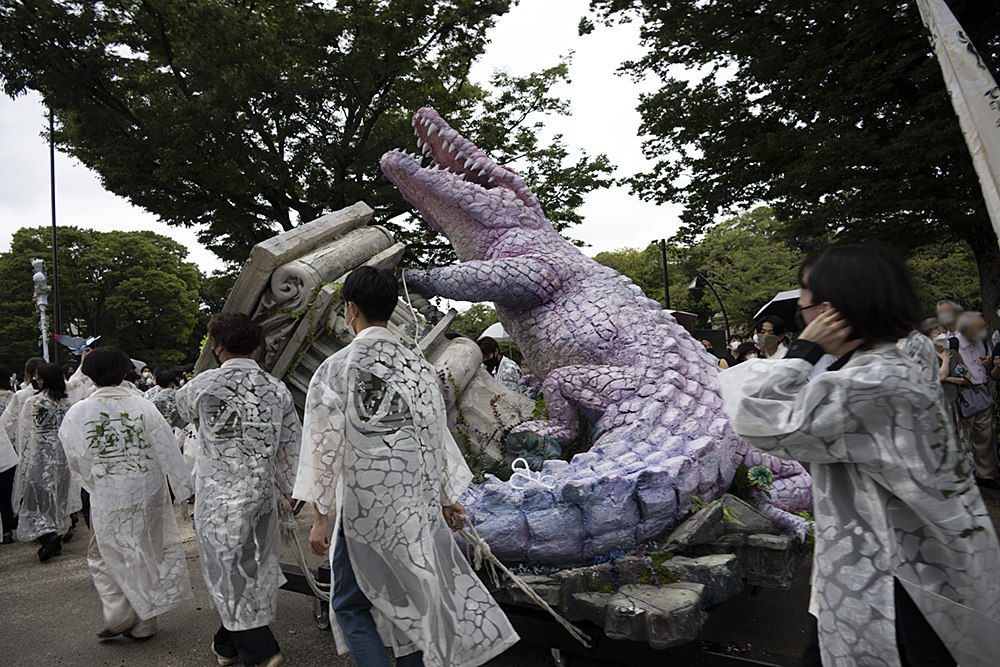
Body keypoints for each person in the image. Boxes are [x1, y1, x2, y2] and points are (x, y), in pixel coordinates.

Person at [721, 244, 1000, 666]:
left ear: (831, 310)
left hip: (901, 580)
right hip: (902, 565)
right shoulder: (877, 369)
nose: (800, 305)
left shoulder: (874, 383)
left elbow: (758, 416)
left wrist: (804, 350)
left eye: (805, 295)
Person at [295, 266, 519, 667]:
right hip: (415, 506)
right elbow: (437, 434)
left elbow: (322, 448)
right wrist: (448, 498)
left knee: (349, 605)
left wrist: (321, 514)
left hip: (363, 510)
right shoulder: (417, 369)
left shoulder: (335, 369)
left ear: (350, 309)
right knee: (413, 599)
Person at [175, 311, 301, 667]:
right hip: (262, 494)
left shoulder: (202, 385)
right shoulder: (277, 389)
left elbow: (180, 414)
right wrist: (294, 491)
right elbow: (290, 445)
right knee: (253, 566)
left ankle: (261, 650)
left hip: (218, 495)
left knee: (224, 569)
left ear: (216, 345)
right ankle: (226, 645)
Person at [58, 347, 194, 640]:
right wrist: (185, 488)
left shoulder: (78, 412)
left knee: (102, 553)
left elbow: (75, 458)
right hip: (147, 489)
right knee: (144, 551)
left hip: (108, 493)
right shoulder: (142, 406)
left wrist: (93, 484)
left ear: (89, 374)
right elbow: (167, 448)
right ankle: (146, 622)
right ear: (124, 372)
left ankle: (120, 612)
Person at [12, 362, 80, 561]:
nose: (36, 380)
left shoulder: (34, 402)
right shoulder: (68, 404)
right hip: (62, 457)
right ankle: (56, 537)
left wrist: (23, 457)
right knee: (59, 497)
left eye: (38, 377)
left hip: (40, 456)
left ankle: (47, 536)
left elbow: (24, 432)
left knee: (39, 498)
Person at [953, 312, 1000, 490]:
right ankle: (966, 477)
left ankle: (985, 475)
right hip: (963, 393)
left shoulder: (982, 343)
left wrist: (989, 363)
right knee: (964, 436)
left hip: (982, 391)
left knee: (985, 435)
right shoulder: (954, 343)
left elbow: (985, 366)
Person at [0, 365, 17, 543]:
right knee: (8, 490)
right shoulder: (14, 397)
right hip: (14, 449)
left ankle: (5, 530)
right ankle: (9, 526)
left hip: (3, 449)